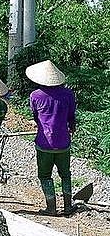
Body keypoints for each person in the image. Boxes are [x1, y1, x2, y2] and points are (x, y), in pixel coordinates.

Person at [26, 60, 77, 216]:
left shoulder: (36, 96)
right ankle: (68, 206)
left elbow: (35, 116)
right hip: (63, 142)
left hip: (44, 143)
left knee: (45, 175)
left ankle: (51, 207)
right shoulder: (68, 94)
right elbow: (71, 117)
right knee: (65, 174)